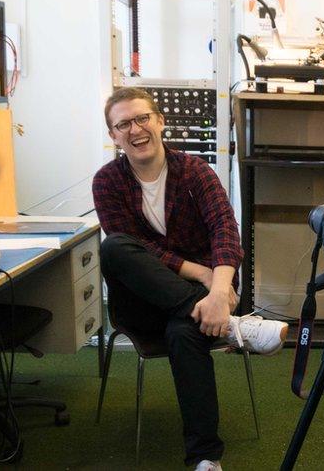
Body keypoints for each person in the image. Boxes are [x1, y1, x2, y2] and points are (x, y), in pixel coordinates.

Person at [92, 87, 288, 471]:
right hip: (141, 304)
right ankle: (234, 327)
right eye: (123, 124)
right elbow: (139, 248)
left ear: (160, 121)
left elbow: (224, 230)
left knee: (185, 332)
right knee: (115, 248)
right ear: (113, 135)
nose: (136, 130)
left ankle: (205, 458)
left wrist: (218, 287)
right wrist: (200, 273)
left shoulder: (195, 171)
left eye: (142, 118)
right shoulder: (107, 182)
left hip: (203, 298)